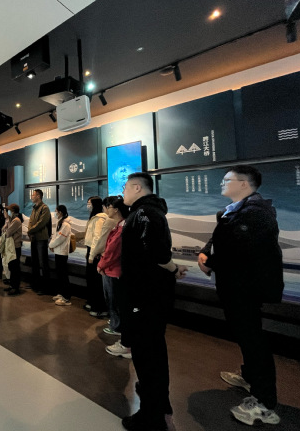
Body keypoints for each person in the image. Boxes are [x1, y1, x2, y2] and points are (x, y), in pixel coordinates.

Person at [198, 165, 284, 426]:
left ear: (244, 184)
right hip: (237, 287)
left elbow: (239, 251)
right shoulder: (236, 211)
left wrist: (210, 262)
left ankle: (265, 404)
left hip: (246, 288)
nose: (222, 183)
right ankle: (250, 378)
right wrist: (207, 253)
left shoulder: (254, 213)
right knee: (246, 336)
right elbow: (221, 239)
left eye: (227, 180)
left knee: (253, 339)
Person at [120, 172, 187, 431]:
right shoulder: (148, 212)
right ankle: (158, 406)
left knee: (148, 354)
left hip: (145, 295)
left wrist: (172, 269)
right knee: (151, 352)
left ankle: (153, 416)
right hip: (148, 294)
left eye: (126, 187)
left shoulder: (144, 213)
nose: (123, 192)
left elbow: (156, 253)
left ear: (137, 187)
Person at [97, 196, 131, 357]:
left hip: (115, 271)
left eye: (108, 206)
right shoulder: (119, 225)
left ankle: (120, 330)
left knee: (116, 301)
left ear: (116, 209)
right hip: (111, 269)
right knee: (113, 300)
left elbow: (112, 251)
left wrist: (101, 264)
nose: (106, 209)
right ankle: (118, 327)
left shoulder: (122, 228)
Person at [84, 196, 108, 318]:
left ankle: (99, 308)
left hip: (95, 252)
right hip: (91, 250)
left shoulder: (99, 219)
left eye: (90, 203)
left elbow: (97, 238)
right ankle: (92, 302)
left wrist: (92, 255)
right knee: (91, 279)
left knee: (96, 281)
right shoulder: (94, 218)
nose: (88, 205)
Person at [27, 189, 51, 295]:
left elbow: (42, 223)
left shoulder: (45, 208)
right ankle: (35, 284)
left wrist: (30, 230)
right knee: (35, 262)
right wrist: (30, 230)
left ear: (38, 196)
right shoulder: (34, 208)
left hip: (41, 239)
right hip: (34, 238)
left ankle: (45, 287)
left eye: (33, 195)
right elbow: (31, 221)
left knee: (43, 263)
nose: (32, 197)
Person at [48, 204, 72, 306]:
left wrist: (51, 245)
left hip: (62, 252)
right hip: (58, 251)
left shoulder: (66, 225)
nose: (55, 213)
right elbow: (55, 236)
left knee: (63, 275)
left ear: (60, 212)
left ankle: (66, 297)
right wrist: (51, 244)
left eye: (56, 211)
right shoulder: (60, 222)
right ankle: (61, 293)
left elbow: (60, 238)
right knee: (59, 274)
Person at [3, 204, 23, 295]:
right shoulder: (12, 220)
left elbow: (8, 233)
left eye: (9, 210)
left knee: (15, 267)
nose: (7, 212)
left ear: (13, 211)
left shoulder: (16, 221)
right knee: (11, 266)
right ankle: (12, 285)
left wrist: (5, 230)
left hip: (15, 246)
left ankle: (15, 287)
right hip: (11, 246)